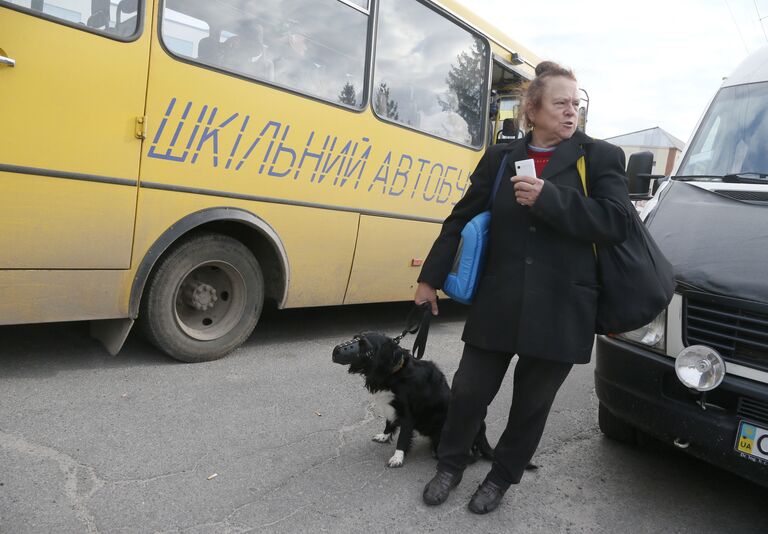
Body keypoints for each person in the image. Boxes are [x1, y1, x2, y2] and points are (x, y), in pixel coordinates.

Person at [414, 61, 631, 514]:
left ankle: (500, 477)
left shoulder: (601, 158)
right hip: (500, 300)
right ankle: (450, 464)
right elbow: (461, 217)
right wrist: (429, 279)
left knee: (531, 405)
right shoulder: (500, 159)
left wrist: (550, 198)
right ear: (532, 110)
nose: (572, 112)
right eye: (561, 104)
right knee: (469, 389)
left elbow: (616, 223)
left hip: (563, 307)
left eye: (577, 104)